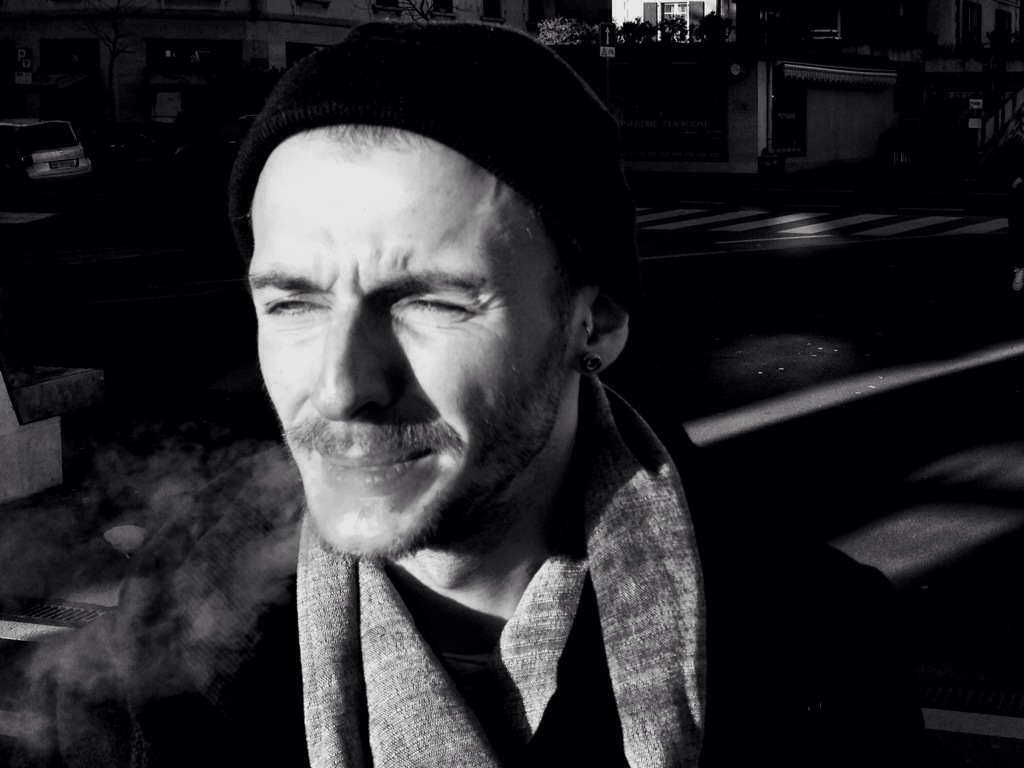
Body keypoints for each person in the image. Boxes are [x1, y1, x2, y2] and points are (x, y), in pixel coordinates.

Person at [20, 21, 922, 768]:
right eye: (293, 303)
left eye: (432, 303)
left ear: (596, 323)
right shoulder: (161, 639)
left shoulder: (817, 648)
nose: (341, 388)